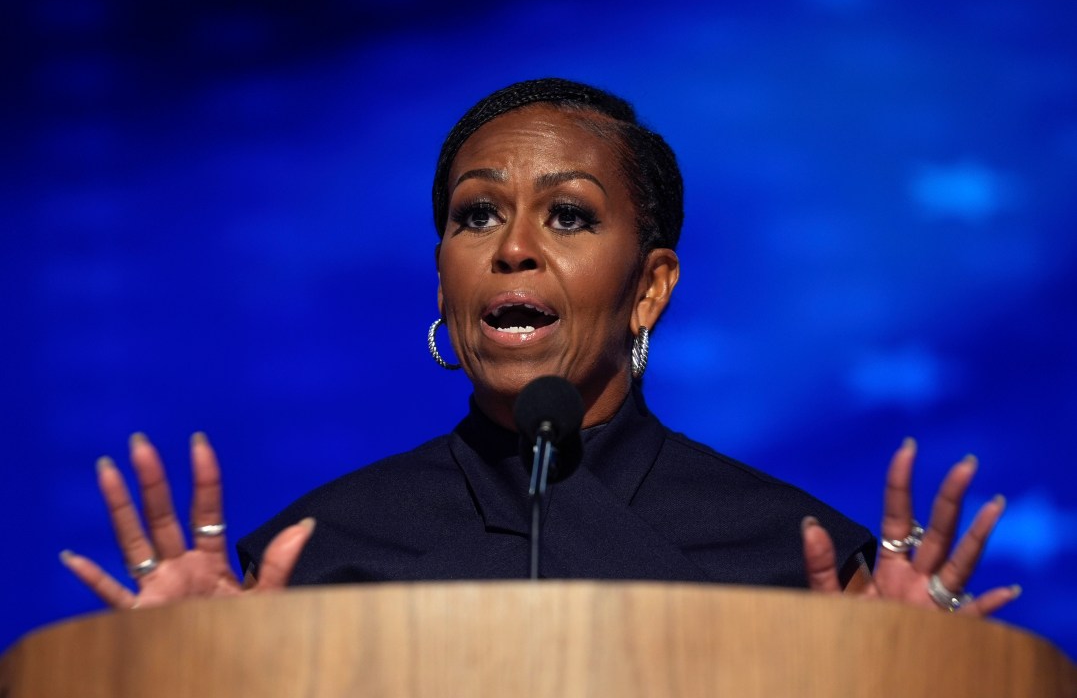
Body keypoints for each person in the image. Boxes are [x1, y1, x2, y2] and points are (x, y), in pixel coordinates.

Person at [61, 78, 1018, 615]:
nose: (513, 246)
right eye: (477, 215)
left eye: (567, 215)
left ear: (649, 288)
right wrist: (178, 673)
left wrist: (901, 675)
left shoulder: (802, 562)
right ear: (445, 281)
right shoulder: (309, 561)